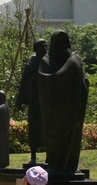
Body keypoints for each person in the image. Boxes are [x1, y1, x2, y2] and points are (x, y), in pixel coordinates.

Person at [38, 30, 89, 176]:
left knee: (72, 139)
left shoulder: (75, 60)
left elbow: (84, 80)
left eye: (64, 43)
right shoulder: (46, 61)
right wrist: (70, 67)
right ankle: (55, 164)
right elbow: (44, 81)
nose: (61, 46)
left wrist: (80, 78)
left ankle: (71, 166)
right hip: (53, 113)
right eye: (58, 43)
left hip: (72, 111)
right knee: (54, 140)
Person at [16, 39, 47, 164]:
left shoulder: (50, 62)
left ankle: (49, 156)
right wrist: (20, 100)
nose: (45, 49)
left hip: (47, 102)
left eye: (46, 47)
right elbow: (24, 83)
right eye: (42, 47)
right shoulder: (32, 63)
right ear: (37, 49)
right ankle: (33, 156)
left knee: (47, 130)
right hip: (34, 102)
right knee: (34, 130)